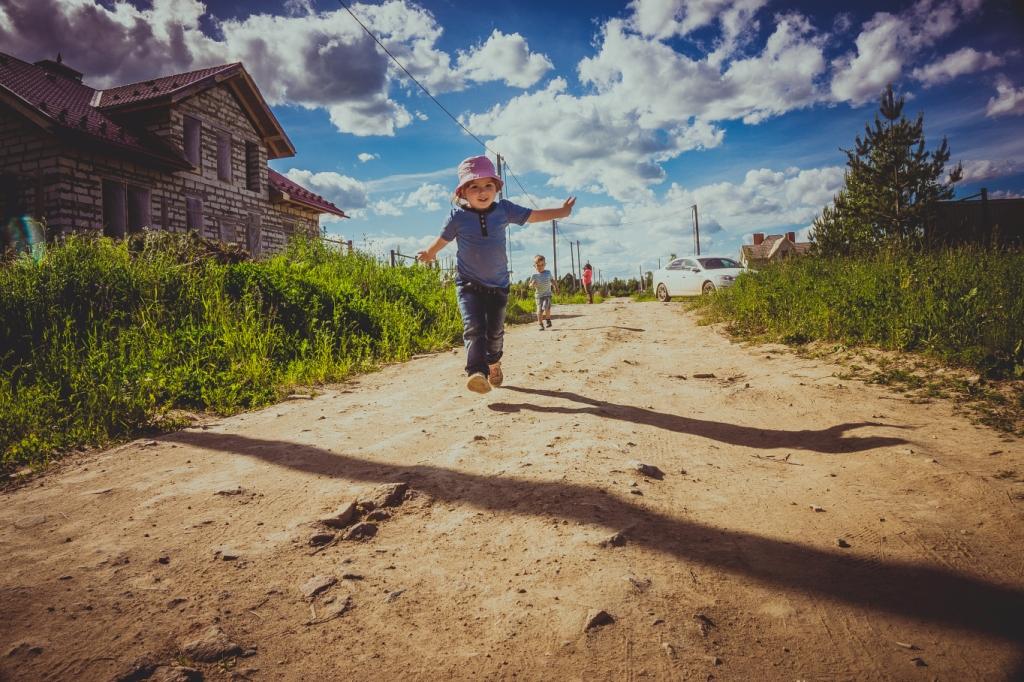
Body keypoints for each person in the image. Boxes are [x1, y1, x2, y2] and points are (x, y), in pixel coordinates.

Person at [418, 155, 576, 394]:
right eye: (474, 186)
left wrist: (561, 212)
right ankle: (476, 372)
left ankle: (494, 363)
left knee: (495, 332)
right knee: (473, 327)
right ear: (463, 192)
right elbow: (442, 240)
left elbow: (534, 215)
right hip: (468, 284)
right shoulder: (457, 217)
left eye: (488, 186)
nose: (482, 192)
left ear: (496, 187)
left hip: (499, 285)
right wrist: (429, 254)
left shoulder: (504, 210)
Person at [528, 254, 556, 331]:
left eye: (542, 265)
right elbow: (529, 285)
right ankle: (540, 324)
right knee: (539, 311)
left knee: (546, 307)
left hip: (547, 294)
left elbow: (552, 280)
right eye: (538, 265)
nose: (540, 267)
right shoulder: (534, 275)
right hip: (539, 296)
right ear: (534, 266)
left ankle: (548, 320)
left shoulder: (548, 272)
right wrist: (532, 284)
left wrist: (555, 286)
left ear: (545, 264)